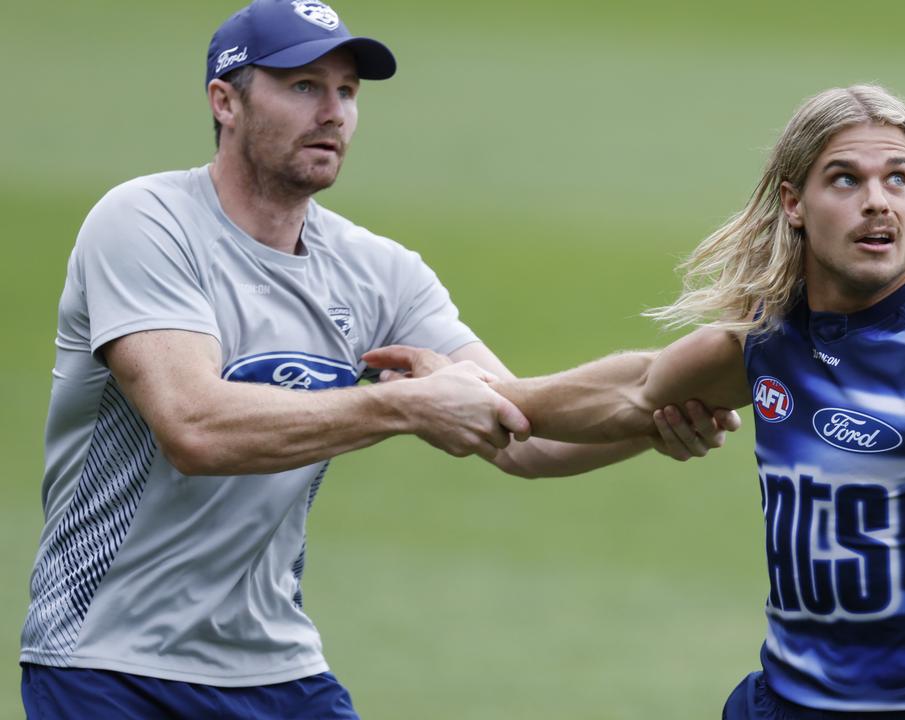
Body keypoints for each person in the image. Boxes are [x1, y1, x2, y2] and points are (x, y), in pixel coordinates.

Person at [19, 1, 735, 718]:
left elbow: (524, 430)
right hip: (105, 661)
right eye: (303, 86)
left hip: (273, 664)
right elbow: (195, 427)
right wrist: (400, 406)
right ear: (225, 101)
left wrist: (655, 407)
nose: (333, 112)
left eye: (347, 91)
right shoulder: (144, 223)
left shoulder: (377, 272)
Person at [368, 84, 905, 719]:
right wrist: (459, 392)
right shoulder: (765, 342)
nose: (877, 201)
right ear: (793, 202)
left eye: (899, 179)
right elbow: (619, 396)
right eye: (845, 180)